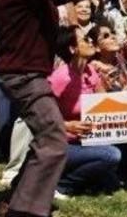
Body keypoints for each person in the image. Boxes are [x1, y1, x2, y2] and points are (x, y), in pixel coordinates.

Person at [0, 0, 101, 217]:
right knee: (54, 140)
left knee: (45, 138)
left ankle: (16, 198)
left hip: (26, 74)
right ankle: (24, 211)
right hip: (24, 76)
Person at [49, 26, 121, 198]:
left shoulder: (90, 71)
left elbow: (102, 106)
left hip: (87, 140)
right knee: (112, 156)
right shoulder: (60, 77)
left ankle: (88, 179)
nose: (91, 41)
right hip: (62, 143)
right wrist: (67, 126)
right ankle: (62, 186)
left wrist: (106, 87)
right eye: (85, 39)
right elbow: (42, 115)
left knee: (111, 183)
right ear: (72, 48)